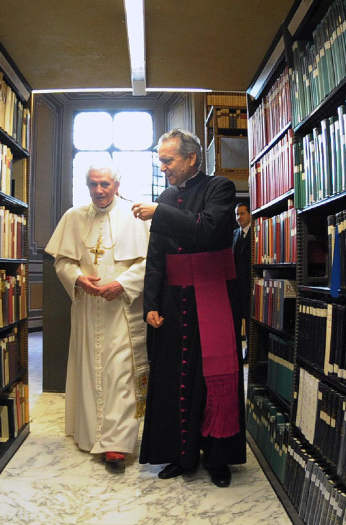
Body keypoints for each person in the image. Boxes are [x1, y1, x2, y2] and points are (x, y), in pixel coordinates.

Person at [131, 129, 245, 487]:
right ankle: (181, 455)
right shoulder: (166, 195)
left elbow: (208, 230)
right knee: (173, 377)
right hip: (173, 300)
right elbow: (156, 257)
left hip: (212, 295)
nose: (163, 167)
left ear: (191, 158)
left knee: (213, 380)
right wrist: (150, 303)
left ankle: (217, 459)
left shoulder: (220, 187)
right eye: (160, 161)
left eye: (168, 160)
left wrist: (159, 212)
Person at [45, 165, 151, 471]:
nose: (99, 190)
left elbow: (149, 262)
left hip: (122, 309)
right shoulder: (74, 217)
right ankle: (90, 433)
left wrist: (122, 283)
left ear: (117, 184)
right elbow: (63, 261)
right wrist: (78, 279)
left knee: (120, 373)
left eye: (104, 184)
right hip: (88, 309)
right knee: (90, 369)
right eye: (93, 184)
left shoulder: (136, 217)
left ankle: (117, 443)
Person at [233, 202, 253, 351]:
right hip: (235, 288)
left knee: (251, 324)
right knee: (235, 323)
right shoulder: (234, 235)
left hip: (251, 288)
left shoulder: (257, 233)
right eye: (237, 214)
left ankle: (250, 352)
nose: (239, 217)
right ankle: (236, 354)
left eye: (242, 213)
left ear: (249, 214)